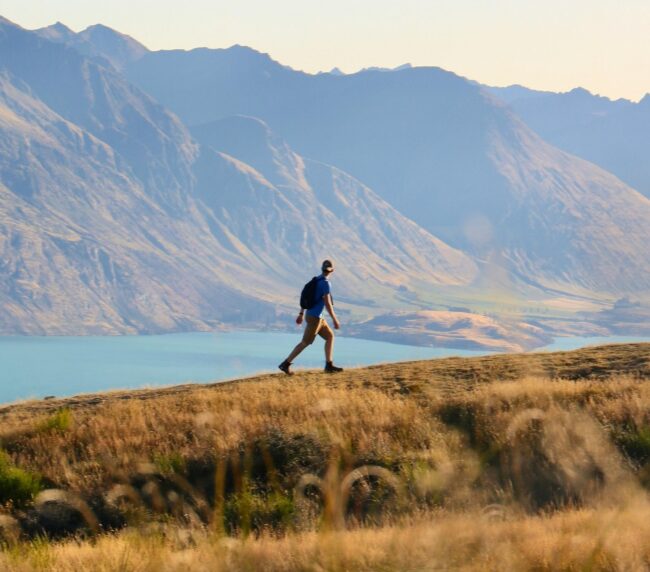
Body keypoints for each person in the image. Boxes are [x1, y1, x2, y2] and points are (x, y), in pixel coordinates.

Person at [279, 260, 343, 375]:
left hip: (316, 317)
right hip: (315, 318)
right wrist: (335, 319)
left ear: (322, 269)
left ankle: (329, 365)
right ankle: (285, 364)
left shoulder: (316, 280)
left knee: (330, 336)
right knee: (305, 342)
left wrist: (301, 313)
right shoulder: (325, 283)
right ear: (332, 270)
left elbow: (306, 298)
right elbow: (328, 304)